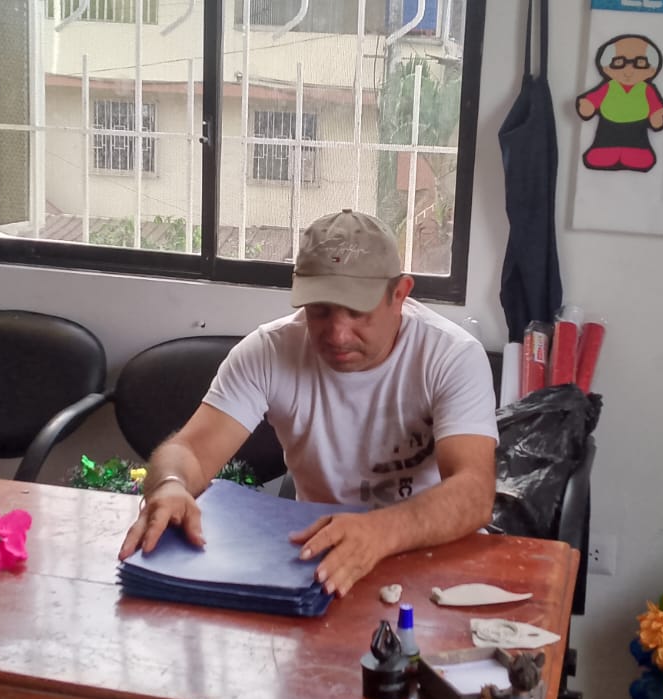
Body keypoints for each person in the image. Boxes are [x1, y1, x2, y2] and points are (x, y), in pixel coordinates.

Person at [117, 209, 499, 598]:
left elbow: (473, 491)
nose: (337, 333)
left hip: (429, 551)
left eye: (358, 312)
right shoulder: (268, 352)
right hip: (317, 558)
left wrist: (382, 531)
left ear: (399, 294)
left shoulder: (451, 356)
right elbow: (190, 453)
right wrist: (170, 484)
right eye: (319, 310)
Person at [576, 33, 663, 172]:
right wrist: (588, 106)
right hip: (608, 126)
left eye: (639, 63)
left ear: (652, 69)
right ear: (606, 67)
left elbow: (655, 108)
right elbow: (593, 101)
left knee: (638, 148)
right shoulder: (608, 87)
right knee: (604, 144)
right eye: (619, 62)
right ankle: (604, 152)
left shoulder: (647, 90)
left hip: (637, 127)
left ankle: (636, 154)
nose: (628, 71)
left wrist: (656, 117)